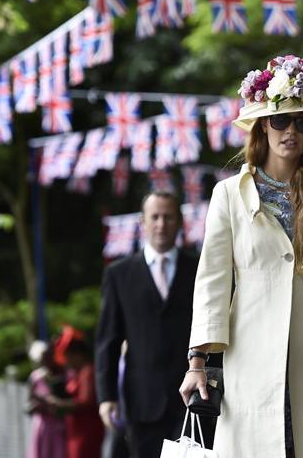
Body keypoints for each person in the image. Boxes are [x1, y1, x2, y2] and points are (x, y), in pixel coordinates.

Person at [179, 55, 303, 458]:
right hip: (250, 355)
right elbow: (212, 280)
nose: (292, 131)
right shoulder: (229, 195)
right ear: (262, 126)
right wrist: (197, 360)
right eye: (281, 121)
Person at [95, 192, 204, 458]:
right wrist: (106, 396)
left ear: (180, 222)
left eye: (168, 217)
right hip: (142, 402)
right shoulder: (119, 275)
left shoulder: (201, 269)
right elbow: (107, 341)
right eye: (154, 217)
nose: (161, 224)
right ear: (143, 223)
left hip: (193, 399)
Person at [49, 335, 105, 458]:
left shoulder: (88, 372)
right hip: (75, 431)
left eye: (67, 356)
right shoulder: (80, 373)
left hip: (86, 430)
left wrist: (59, 404)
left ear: (78, 354)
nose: (66, 361)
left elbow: (86, 401)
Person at [27, 341, 67, 458]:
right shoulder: (35, 377)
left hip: (59, 426)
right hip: (42, 427)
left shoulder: (64, 374)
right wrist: (35, 407)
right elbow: (28, 405)